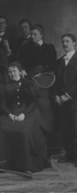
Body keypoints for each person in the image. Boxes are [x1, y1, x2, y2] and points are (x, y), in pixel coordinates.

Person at [0, 62, 50, 172]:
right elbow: (2, 104)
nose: (12, 74)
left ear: (20, 72)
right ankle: (7, 165)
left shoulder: (28, 83)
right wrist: (9, 114)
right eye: (10, 72)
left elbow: (34, 102)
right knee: (3, 129)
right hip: (10, 113)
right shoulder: (5, 86)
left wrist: (24, 114)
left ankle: (27, 165)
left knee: (24, 131)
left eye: (14, 71)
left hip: (27, 113)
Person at [54, 34, 77, 166]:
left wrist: (67, 95)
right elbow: (56, 82)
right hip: (62, 101)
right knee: (65, 128)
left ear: (74, 43)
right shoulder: (59, 61)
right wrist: (57, 95)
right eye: (63, 42)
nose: (65, 44)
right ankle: (69, 154)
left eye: (68, 41)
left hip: (75, 99)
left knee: (75, 127)